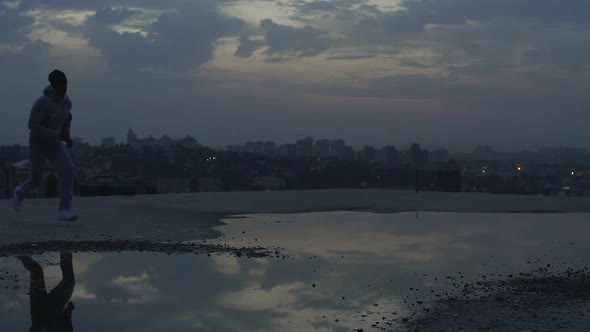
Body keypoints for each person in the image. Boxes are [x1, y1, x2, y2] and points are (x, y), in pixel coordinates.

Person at [12, 69, 78, 221]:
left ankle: (64, 210)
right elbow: (32, 125)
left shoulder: (67, 102)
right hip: (38, 145)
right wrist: (54, 134)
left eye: (66, 84)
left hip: (55, 145)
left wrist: (66, 137)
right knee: (35, 180)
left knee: (68, 169)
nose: (64, 88)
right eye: (61, 85)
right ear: (54, 85)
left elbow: (65, 120)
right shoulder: (42, 102)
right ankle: (20, 193)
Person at [18, 252, 76, 332]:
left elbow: (34, 328)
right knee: (69, 282)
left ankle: (18, 253)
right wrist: (69, 311)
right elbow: (67, 324)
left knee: (36, 270)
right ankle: (65, 252)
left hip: (39, 307)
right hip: (55, 307)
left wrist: (39, 328)